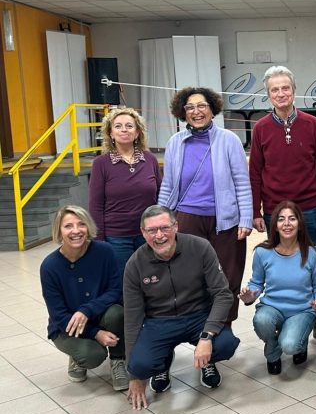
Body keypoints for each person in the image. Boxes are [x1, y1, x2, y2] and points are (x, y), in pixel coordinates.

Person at [249, 65, 316, 348]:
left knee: (313, 266)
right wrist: (254, 211)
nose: (281, 93)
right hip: (273, 210)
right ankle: (279, 316)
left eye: (285, 88)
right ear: (268, 95)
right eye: (274, 89)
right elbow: (255, 172)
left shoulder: (312, 124)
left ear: (294, 91)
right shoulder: (261, 128)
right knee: (279, 264)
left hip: (308, 208)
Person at [124, 206, 240, 409]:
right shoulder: (135, 264)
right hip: (159, 322)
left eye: (165, 228)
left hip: (199, 316)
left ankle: (207, 361)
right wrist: (135, 374)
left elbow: (222, 294)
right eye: (152, 230)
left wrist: (207, 336)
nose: (159, 235)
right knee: (141, 364)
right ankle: (162, 363)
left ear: (176, 226)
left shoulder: (200, 247)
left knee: (225, 344)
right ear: (143, 232)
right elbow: (132, 318)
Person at [159, 87, 252, 337]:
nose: (196, 111)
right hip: (187, 218)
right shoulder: (175, 142)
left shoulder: (229, 140)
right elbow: (168, 185)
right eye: (190, 107)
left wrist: (245, 218)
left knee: (228, 276)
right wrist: (161, 219)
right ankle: (199, 330)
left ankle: (223, 329)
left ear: (212, 109)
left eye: (202, 106)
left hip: (226, 220)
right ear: (183, 112)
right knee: (191, 277)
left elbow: (242, 182)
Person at [40, 205, 127, 390]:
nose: (76, 231)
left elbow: (115, 290)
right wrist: (95, 333)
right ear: (59, 231)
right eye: (68, 226)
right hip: (67, 326)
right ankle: (78, 358)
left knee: (117, 313)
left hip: (100, 314)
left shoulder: (104, 251)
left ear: (88, 226)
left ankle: (118, 360)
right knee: (93, 355)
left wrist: (86, 310)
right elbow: (59, 316)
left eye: (81, 224)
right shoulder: (49, 266)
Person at [240, 201, 316, 375]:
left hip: (302, 310)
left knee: (290, 345)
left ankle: (299, 342)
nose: (287, 224)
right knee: (261, 321)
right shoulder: (262, 252)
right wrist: (250, 296)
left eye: (292, 219)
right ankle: (273, 351)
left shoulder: (313, 253)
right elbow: (256, 283)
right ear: (275, 225)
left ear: (300, 224)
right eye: (281, 219)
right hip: (272, 307)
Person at [89, 107, 161, 275]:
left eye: (129, 126)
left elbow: (160, 197)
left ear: (137, 133)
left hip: (149, 233)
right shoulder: (101, 164)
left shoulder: (150, 159)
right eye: (118, 126)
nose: (124, 130)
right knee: (124, 282)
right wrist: (99, 240)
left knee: (152, 279)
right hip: (116, 238)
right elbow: (95, 205)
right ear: (111, 133)